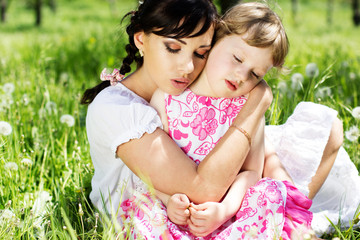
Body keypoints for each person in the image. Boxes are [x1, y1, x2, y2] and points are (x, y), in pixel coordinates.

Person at [151, 2, 360, 237]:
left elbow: (252, 172)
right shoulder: (169, 97)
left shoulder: (247, 105)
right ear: (217, 38)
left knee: (270, 191)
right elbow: (153, 169)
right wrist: (169, 201)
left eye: (254, 74)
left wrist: (224, 210)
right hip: (181, 211)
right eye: (237, 58)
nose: (241, 76)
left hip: (231, 209)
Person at [81, 0, 285, 238]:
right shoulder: (117, 109)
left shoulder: (209, 94)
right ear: (141, 40)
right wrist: (258, 101)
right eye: (173, 48)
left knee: (322, 136)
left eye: (201, 53)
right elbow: (203, 190)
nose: (188, 66)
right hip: (150, 220)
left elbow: (256, 162)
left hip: (217, 204)